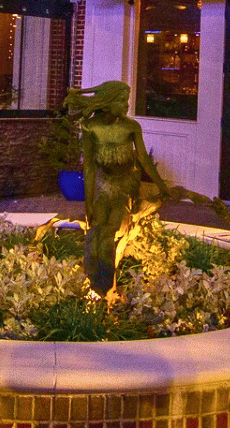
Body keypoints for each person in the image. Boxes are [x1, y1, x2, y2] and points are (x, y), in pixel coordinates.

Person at [65, 81, 169, 297]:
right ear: (108, 102)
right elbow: (90, 169)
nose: (126, 106)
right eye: (122, 101)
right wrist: (88, 204)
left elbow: (143, 159)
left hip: (124, 186)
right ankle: (96, 281)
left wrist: (161, 185)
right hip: (104, 184)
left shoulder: (131, 127)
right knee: (96, 230)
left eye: (127, 101)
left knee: (111, 229)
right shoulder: (91, 127)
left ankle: (105, 284)